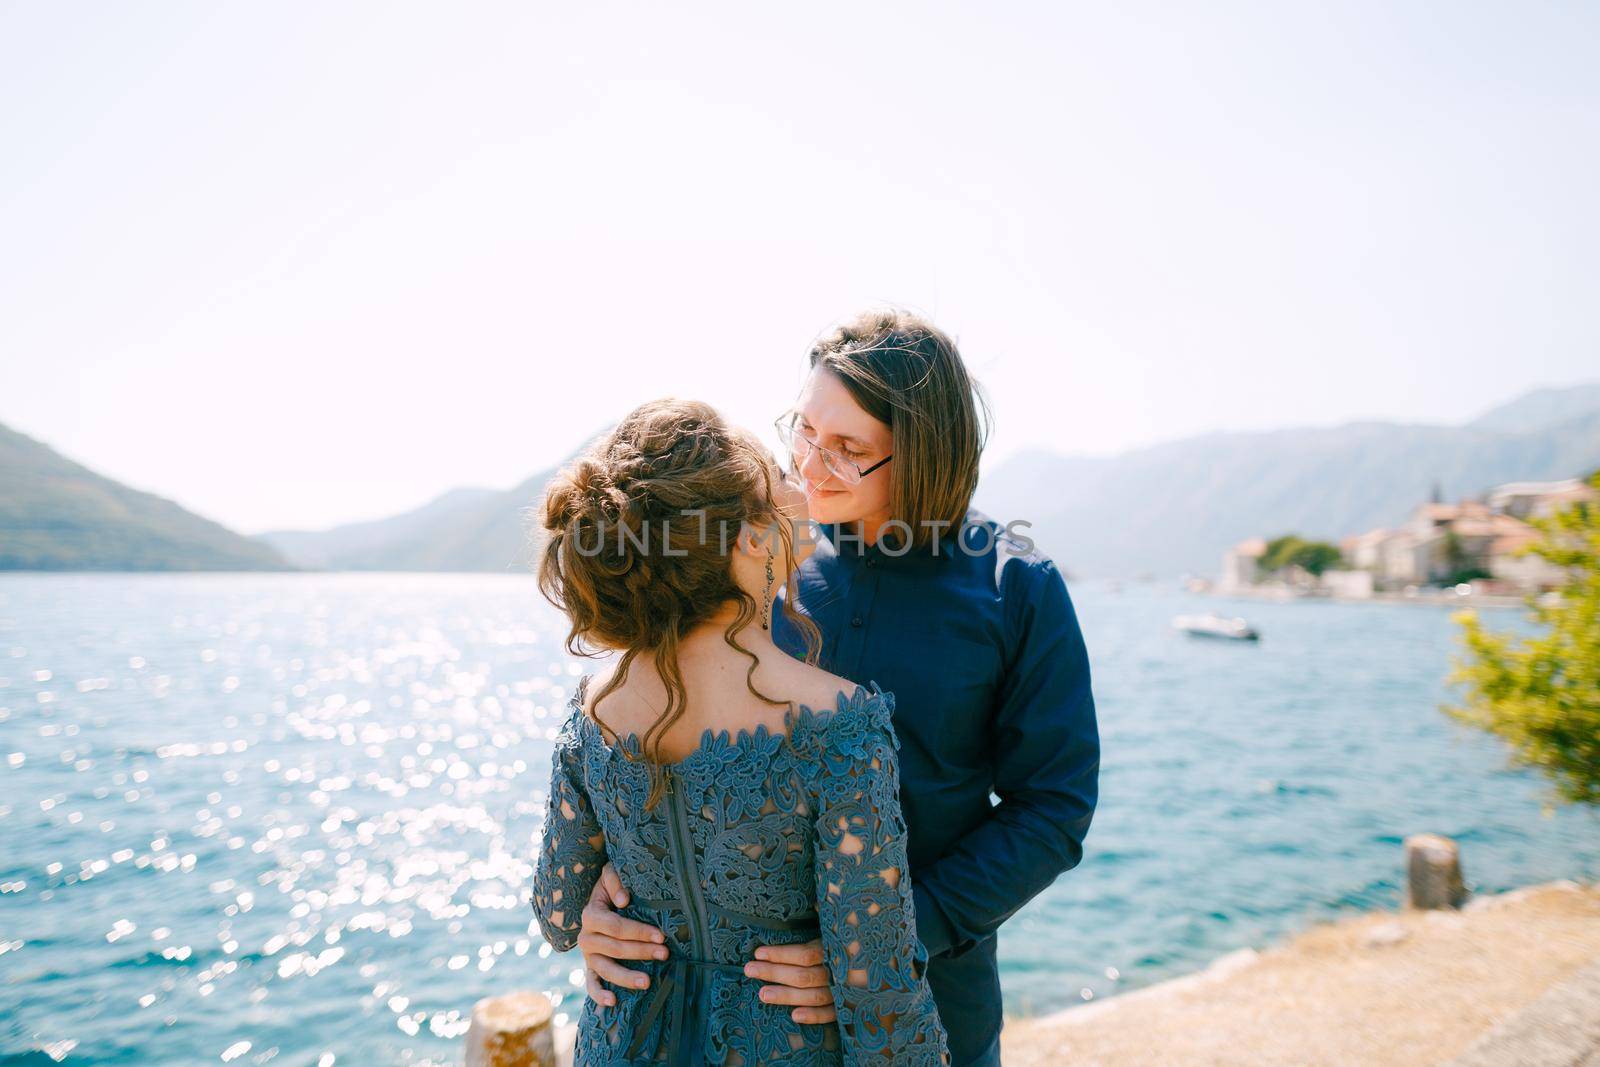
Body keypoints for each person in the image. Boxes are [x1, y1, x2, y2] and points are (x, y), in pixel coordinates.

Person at [574, 311, 1101, 1066]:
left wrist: (884, 941)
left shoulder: (1017, 587)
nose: (808, 464)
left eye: (848, 449)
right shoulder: (743, 556)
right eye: (804, 430)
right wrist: (608, 889)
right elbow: (654, 733)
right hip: (734, 1022)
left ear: (924, 456)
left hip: (928, 1010)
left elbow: (1053, 809)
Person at [530, 397, 950, 1065]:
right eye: (778, 478)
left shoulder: (595, 703)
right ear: (748, 537)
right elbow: (882, 1001)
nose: (800, 483)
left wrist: (611, 903)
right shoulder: (837, 721)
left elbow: (556, 910)